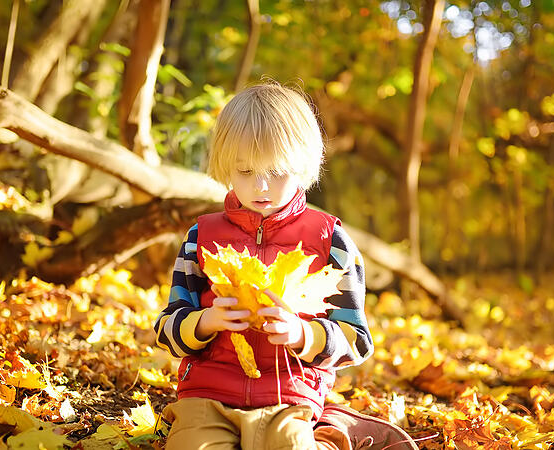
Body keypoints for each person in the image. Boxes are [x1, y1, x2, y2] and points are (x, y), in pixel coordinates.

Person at [153, 82, 412, 450]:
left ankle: (330, 434)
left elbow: (356, 340)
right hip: (208, 394)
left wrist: (303, 335)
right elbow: (166, 329)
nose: (260, 186)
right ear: (226, 165)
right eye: (244, 171)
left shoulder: (329, 239)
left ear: (303, 165)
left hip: (289, 396)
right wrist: (205, 321)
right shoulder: (201, 236)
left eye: (276, 171)